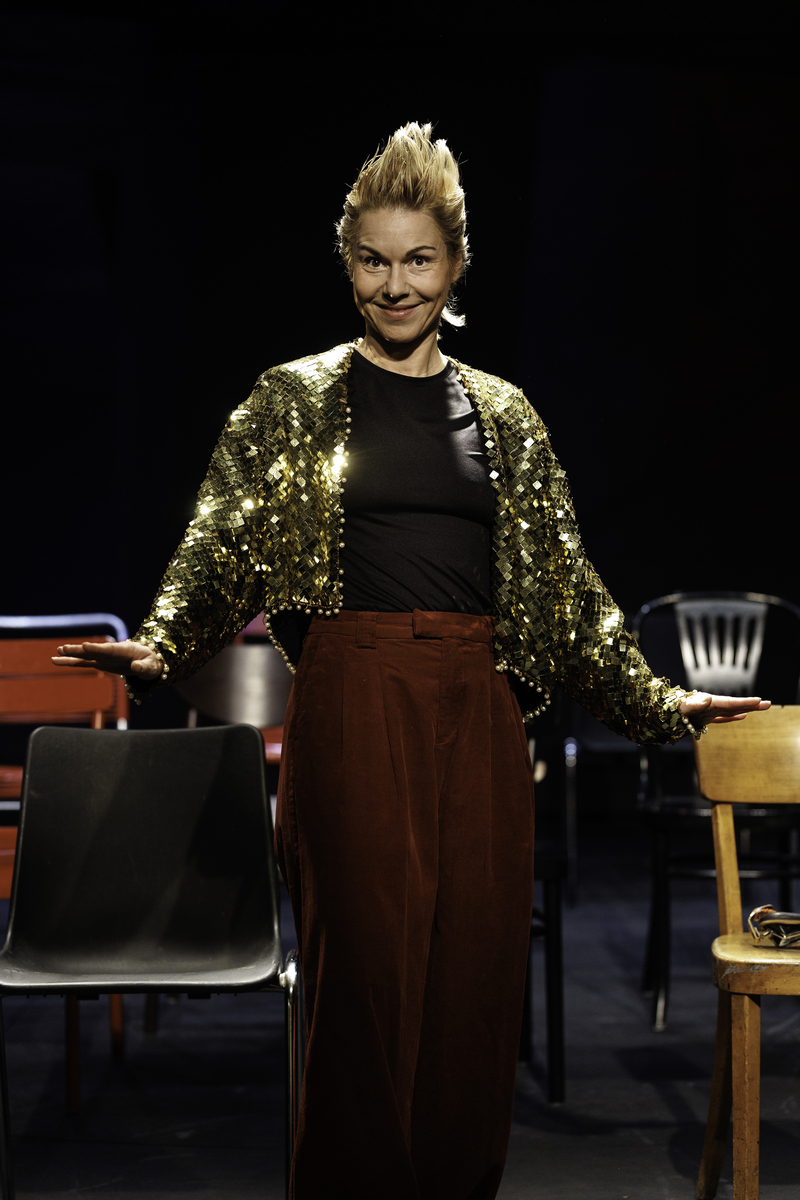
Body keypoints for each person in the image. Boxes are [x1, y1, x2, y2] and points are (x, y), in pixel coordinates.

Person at [54, 123, 768, 1200]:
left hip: (478, 709)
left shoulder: (505, 417)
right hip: (354, 699)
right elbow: (222, 541)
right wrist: (163, 646)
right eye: (373, 261)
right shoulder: (291, 401)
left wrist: (660, 701)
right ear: (348, 266)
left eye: (418, 260)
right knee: (365, 982)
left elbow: (568, 592)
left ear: (456, 264)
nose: (396, 285)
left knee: (473, 978)